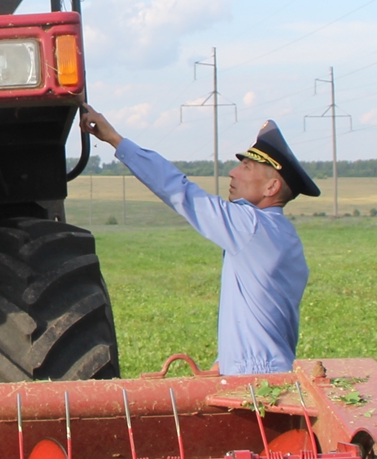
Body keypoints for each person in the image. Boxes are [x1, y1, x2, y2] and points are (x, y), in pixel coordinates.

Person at [79, 108, 319, 375]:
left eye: (246, 167)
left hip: (254, 380)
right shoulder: (286, 236)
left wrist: (114, 139)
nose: (233, 173)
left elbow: (180, 191)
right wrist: (225, 362)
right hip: (273, 371)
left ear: (271, 188)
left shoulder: (250, 226)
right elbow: (261, 313)